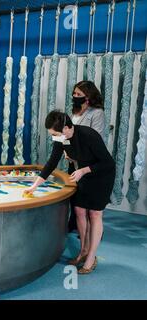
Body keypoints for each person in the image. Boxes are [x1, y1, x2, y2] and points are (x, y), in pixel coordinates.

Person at [24, 110, 115, 274]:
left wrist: (84, 170)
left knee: (95, 214)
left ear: (66, 128)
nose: (54, 137)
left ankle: (90, 258)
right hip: (82, 174)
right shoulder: (61, 139)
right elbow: (52, 162)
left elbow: (108, 163)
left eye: (55, 133)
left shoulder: (89, 135)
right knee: (79, 211)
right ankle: (83, 250)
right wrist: (34, 186)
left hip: (101, 176)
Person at [68, 81, 106, 233]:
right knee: (75, 197)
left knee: (90, 203)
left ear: (88, 96)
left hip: (88, 162)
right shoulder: (75, 112)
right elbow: (69, 133)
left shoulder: (97, 113)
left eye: (78, 94)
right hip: (73, 160)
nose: (75, 96)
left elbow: (96, 138)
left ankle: (92, 233)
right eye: (74, 93)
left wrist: (76, 151)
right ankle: (75, 225)